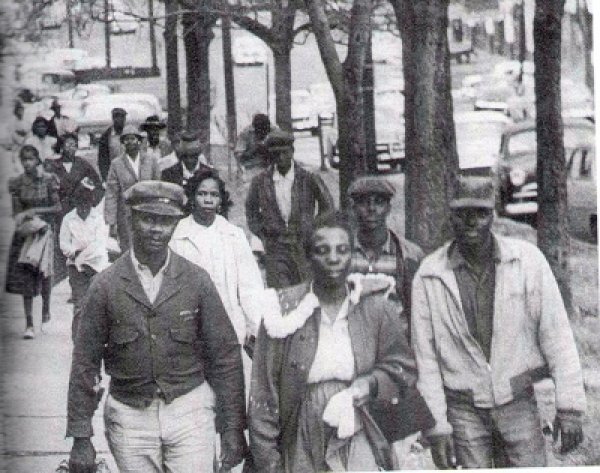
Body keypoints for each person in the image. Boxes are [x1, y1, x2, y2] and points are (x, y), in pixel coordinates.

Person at [67, 181, 247, 473]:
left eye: (165, 221)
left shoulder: (196, 280)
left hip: (190, 410)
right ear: (131, 219)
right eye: (147, 218)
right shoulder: (105, 285)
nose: (156, 229)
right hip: (129, 415)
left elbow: (225, 357)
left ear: (176, 224)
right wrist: (80, 435)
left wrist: (232, 429)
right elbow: (84, 363)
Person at [411, 175, 586, 468]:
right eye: (462, 213)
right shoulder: (430, 275)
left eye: (480, 213)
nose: (471, 222)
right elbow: (425, 359)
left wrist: (569, 408)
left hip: (517, 403)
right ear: (450, 215)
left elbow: (557, 335)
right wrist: (437, 427)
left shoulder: (527, 261)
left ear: (493, 214)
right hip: (463, 408)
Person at [249, 211, 417, 471]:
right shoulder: (284, 310)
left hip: (360, 423)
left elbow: (402, 368)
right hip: (302, 429)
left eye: (342, 250)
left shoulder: (373, 306)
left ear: (352, 254)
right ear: (308, 257)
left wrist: (369, 384)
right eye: (322, 251)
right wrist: (268, 461)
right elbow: (264, 391)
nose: (334, 259)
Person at [169, 169, 265, 380]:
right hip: (190, 327)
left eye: (214, 195)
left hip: (229, 326)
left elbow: (250, 287)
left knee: (231, 388)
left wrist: (255, 327)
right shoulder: (177, 236)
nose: (208, 199)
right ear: (193, 197)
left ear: (221, 200)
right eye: (202, 194)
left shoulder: (233, 235)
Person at [246, 129, 334, 288]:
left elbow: (328, 207)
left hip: (304, 246)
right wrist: (263, 233)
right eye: (275, 154)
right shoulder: (260, 182)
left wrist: (313, 229)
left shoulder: (308, 178)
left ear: (292, 151)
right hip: (275, 247)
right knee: (281, 296)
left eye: (284, 153)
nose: (280, 158)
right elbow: (251, 212)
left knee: (308, 291)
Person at [347, 175, 424, 324]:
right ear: (354, 208)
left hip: (395, 339)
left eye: (379, 202)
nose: (371, 209)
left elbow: (419, 310)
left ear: (388, 208)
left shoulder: (409, 254)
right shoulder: (341, 252)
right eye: (363, 202)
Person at [6, 145, 61, 339]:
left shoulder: (48, 180)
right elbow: (16, 213)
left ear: (38, 159)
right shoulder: (18, 183)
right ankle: (29, 322)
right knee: (25, 279)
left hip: (44, 232)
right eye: (24, 160)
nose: (27, 163)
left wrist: (36, 213)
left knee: (45, 275)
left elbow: (57, 207)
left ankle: (46, 311)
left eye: (30, 159)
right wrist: (24, 217)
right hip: (26, 234)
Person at [59, 178, 109, 340]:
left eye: (86, 206)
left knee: (97, 305)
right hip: (76, 269)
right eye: (80, 206)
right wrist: (75, 252)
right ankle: (78, 341)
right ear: (75, 204)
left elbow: (99, 244)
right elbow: (64, 244)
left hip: (96, 267)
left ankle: (96, 340)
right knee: (79, 306)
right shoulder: (68, 219)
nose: (83, 210)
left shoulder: (98, 219)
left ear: (91, 204)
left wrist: (84, 254)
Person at [104, 124, 161, 253]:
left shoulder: (151, 160)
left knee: (148, 247)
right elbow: (111, 193)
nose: (130, 142)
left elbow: (158, 186)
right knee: (128, 249)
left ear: (139, 141)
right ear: (123, 142)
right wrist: (111, 222)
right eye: (126, 139)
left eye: (133, 138)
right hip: (126, 214)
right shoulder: (116, 164)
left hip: (148, 211)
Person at [43, 132, 103, 217]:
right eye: (68, 145)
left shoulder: (83, 164)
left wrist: (90, 203)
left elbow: (98, 186)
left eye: (74, 145)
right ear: (61, 147)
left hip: (80, 211)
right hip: (60, 212)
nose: (71, 148)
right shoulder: (52, 166)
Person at [234, 113, 273, 180]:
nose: (263, 134)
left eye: (265, 131)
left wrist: (268, 150)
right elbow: (239, 156)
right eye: (260, 132)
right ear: (255, 129)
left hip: (270, 167)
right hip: (252, 168)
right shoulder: (246, 133)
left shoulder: (273, 131)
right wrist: (255, 149)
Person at [98, 107, 127, 181]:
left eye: (123, 117)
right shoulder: (106, 136)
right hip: (113, 173)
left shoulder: (129, 134)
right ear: (113, 118)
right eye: (117, 117)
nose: (120, 120)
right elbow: (102, 159)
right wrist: (105, 177)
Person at [9, 101, 28, 173]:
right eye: (19, 110)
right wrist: (21, 140)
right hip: (17, 146)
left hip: (26, 145)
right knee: (17, 162)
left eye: (22, 110)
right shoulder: (13, 122)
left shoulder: (26, 121)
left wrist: (26, 138)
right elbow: (13, 135)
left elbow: (29, 133)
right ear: (16, 112)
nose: (21, 112)